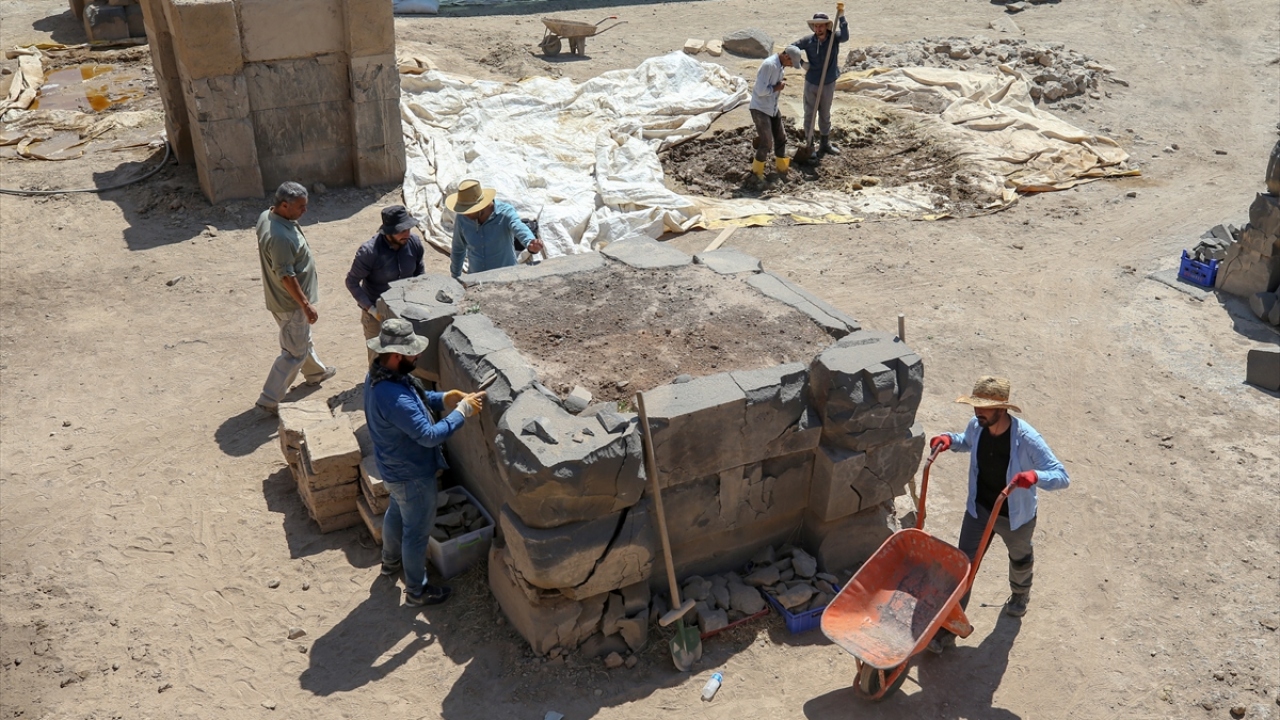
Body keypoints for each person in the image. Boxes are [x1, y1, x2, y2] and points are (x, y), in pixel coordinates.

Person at [926, 375, 1070, 654]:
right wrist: (948, 440)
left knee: (1020, 558)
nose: (977, 411)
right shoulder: (977, 426)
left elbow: (1061, 476)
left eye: (985, 407)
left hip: (1013, 516)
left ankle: (1020, 594)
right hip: (979, 509)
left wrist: (1034, 476)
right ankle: (948, 629)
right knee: (963, 568)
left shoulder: (1027, 439)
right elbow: (966, 441)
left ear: (1002, 409)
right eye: (975, 405)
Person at [364, 319, 486, 607]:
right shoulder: (393, 396)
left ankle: (390, 563)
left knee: (396, 512)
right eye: (412, 353)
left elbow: (415, 401)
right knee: (417, 534)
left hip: (394, 470)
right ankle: (417, 592)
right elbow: (429, 436)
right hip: (413, 476)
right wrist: (461, 412)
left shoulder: (379, 376)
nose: (417, 356)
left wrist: (444, 398)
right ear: (397, 355)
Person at [255, 181, 337, 414]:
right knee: (294, 352)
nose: (305, 210)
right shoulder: (280, 237)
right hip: (290, 303)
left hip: (284, 300)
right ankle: (268, 401)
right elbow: (286, 276)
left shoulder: (267, 216)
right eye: (301, 207)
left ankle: (315, 373)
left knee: (301, 339)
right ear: (284, 205)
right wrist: (305, 304)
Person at [345, 205, 427, 362]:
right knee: (379, 360)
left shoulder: (414, 243)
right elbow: (351, 282)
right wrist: (372, 310)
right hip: (377, 315)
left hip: (405, 310)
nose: (407, 234)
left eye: (408, 229)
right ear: (388, 232)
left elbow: (419, 273)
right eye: (401, 230)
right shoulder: (369, 252)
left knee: (406, 357)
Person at [446, 179, 544, 280]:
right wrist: (455, 277)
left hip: (506, 278)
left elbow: (519, 227)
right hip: (476, 279)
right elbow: (458, 249)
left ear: (480, 206)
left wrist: (530, 242)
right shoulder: (462, 219)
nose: (465, 214)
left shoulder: (505, 213)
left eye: (468, 211)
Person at [793, 6, 849, 157]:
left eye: (821, 26)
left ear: (826, 26)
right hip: (812, 83)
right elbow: (791, 48)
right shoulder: (808, 41)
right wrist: (802, 63)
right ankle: (810, 145)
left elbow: (845, 36)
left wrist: (842, 17)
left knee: (825, 114)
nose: (818, 29)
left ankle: (825, 144)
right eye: (816, 26)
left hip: (828, 83)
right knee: (809, 115)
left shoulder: (834, 38)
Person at [749, 45, 804, 181]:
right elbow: (760, 90)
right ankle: (756, 175)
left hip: (772, 107)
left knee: (781, 137)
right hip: (760, 108)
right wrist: (776, 87)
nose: (791, 66)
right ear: (786, 56)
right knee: (767, 142)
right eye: (791, 62)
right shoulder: (769, 65)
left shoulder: (780, 67)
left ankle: (782, 170)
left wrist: (777, 87)